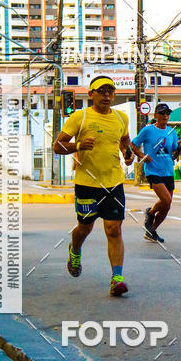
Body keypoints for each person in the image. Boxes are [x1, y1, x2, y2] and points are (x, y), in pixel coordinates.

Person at [53, 76, 142, 297]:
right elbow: (58, 146)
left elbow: (124, 140)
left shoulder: (121, 117)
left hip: (113, 182)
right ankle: (75, 249)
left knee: (114, 229)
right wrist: (79, 145)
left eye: (110, 91)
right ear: (91, 94)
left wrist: (127, 154)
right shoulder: (80, 117)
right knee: (85, 227)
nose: (106, 95)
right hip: (87, 183)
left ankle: (117, 279)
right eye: (101, 91)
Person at [132, 103, 181, 243]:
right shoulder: (148, 130)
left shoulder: (172, 132)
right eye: (162, 113)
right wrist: (142, 156)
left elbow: (173, 155)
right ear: (155, 115)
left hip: (168, 171)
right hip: (153, 170)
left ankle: (151, 231)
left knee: (167, 206)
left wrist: (179, 148)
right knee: (166, 199)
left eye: (167, 113)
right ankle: (150, 213)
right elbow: (133, 144)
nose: (165, 116)